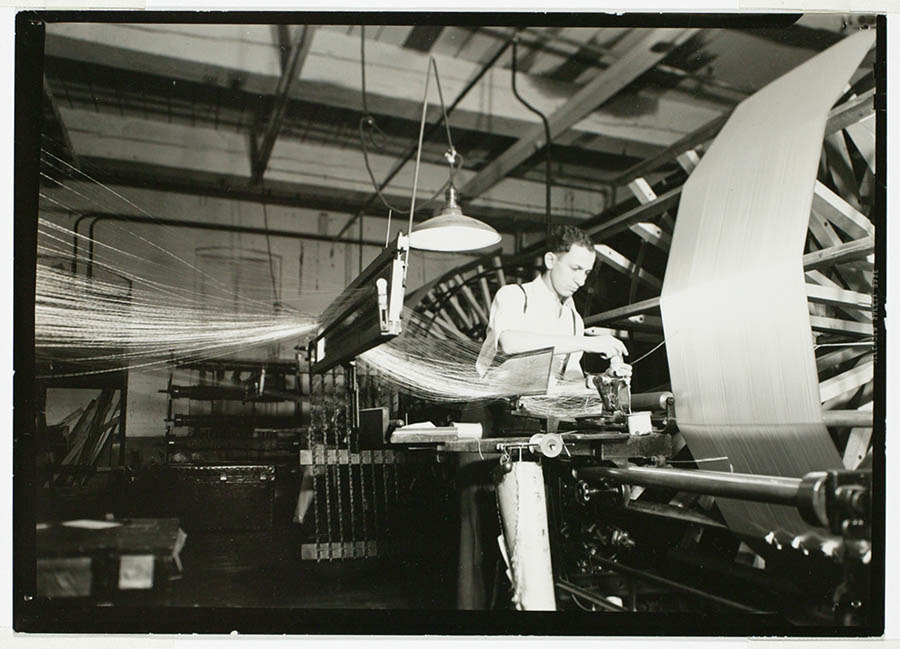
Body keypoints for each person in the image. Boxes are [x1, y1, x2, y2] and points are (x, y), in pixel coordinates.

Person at [457, 224, 629, 609]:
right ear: (552, 260)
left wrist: (604, 380)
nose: (582, 281)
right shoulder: (513, 296)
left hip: (532, 421)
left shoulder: (572, 319)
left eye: (587, 272)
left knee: (527, 537)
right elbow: (511, 342)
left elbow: (568, 384)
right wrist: (588, 342)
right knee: (478, 541)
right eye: (575, 269)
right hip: (489, 419)